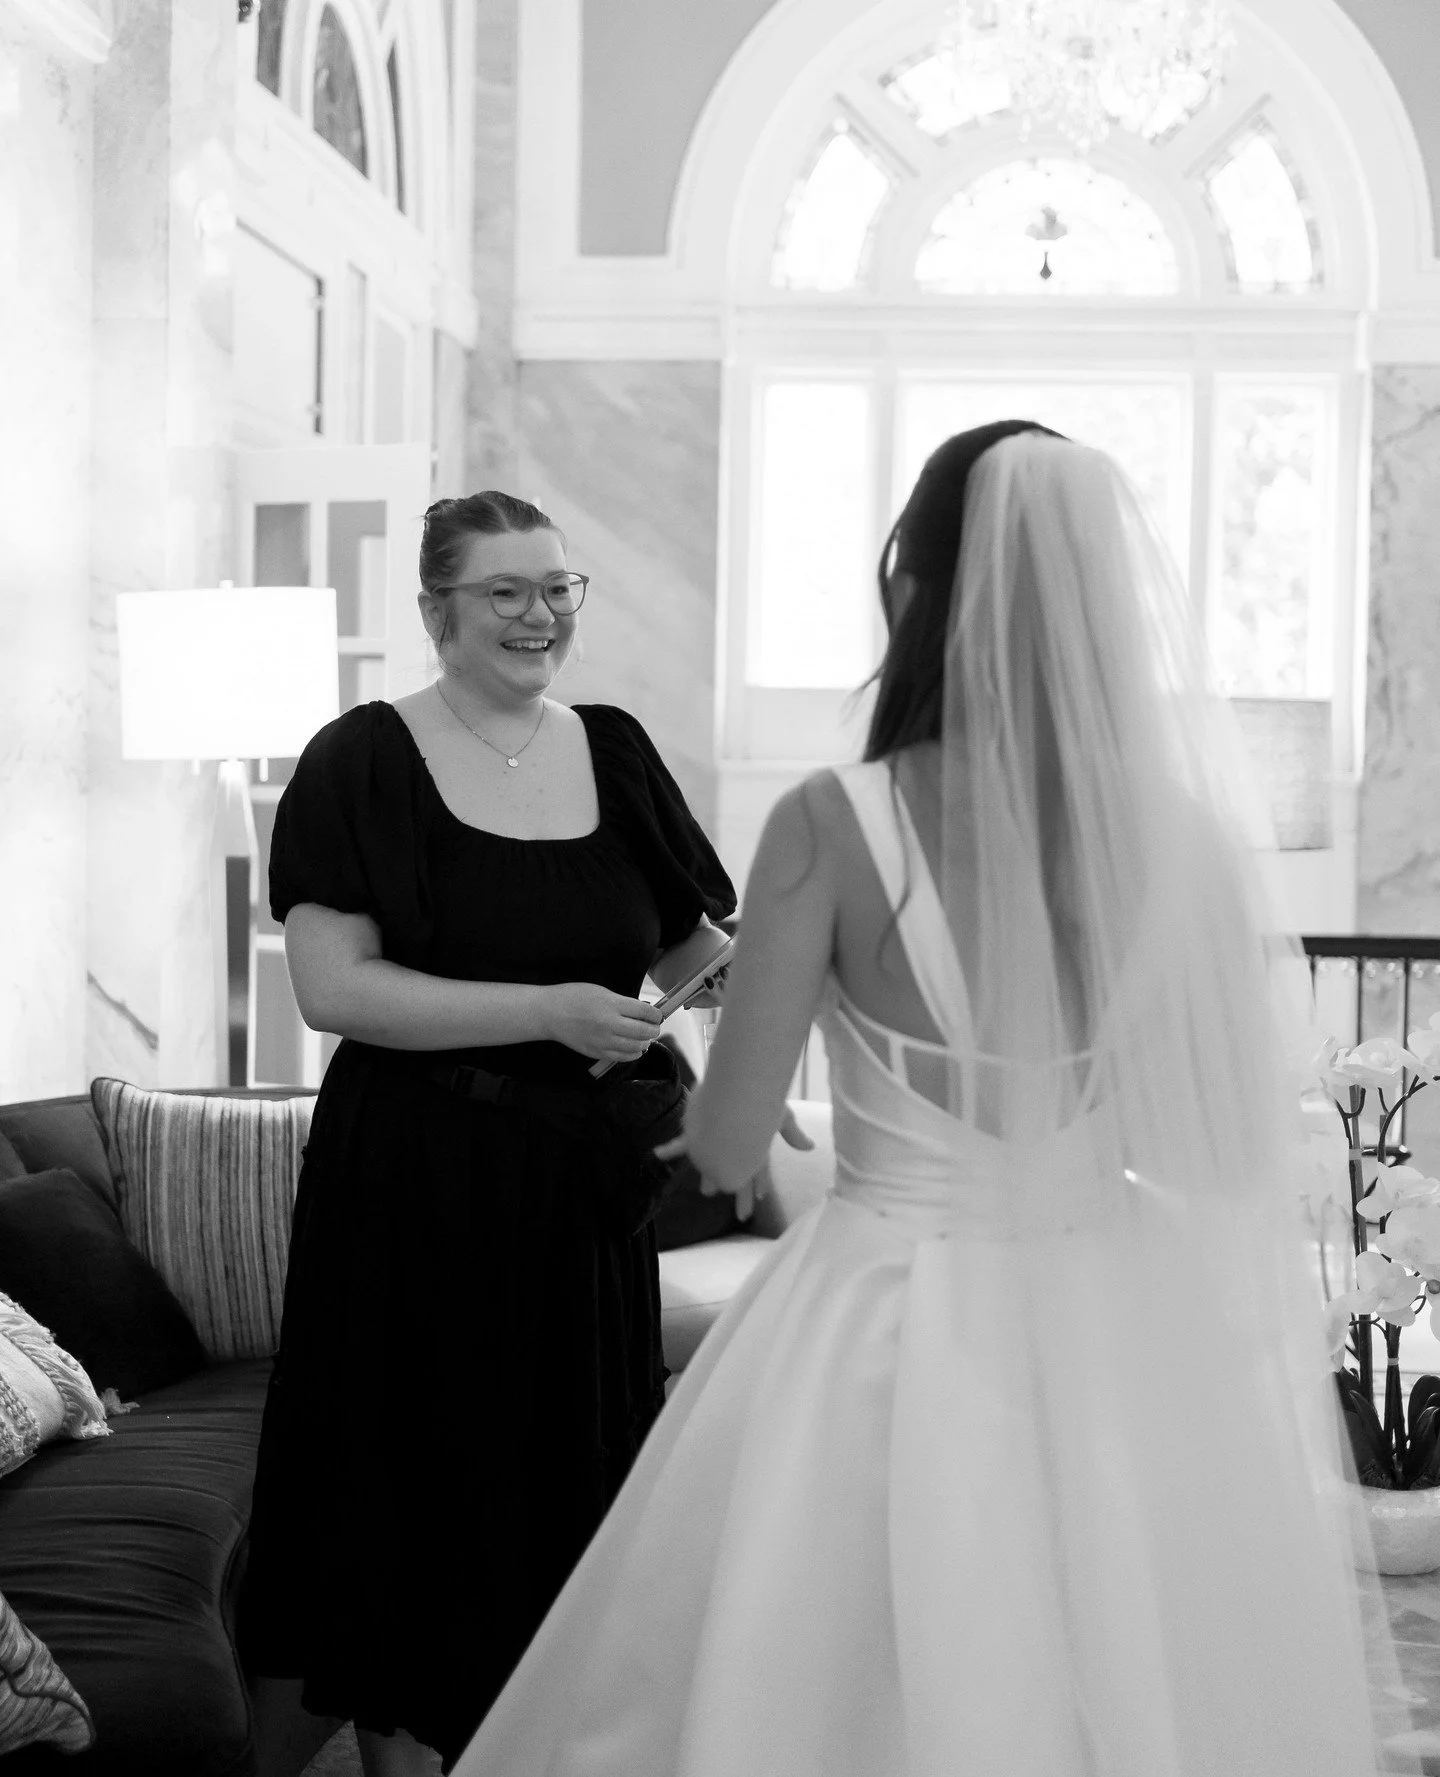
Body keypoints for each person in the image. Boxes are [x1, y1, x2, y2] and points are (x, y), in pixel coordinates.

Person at [452, 425, 1420, 1776]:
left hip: (882, 1312)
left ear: (912, 583)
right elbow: (1213, 1153)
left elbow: (730, 1142)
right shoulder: (1179, 838)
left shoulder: (833, 820)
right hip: (1109, 1309)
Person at [238, 491, 742, 1776]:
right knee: (401, 1491)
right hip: (411, 1184)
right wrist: (546, 1009)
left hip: (579, 1198)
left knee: (559, 1487)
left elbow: (686, 940)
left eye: (559, 588)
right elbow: (332, 990)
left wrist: (750, 972)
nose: (539, 615)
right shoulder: (359, 759)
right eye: (505, 591)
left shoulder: (615, 750)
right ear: (436, 610)